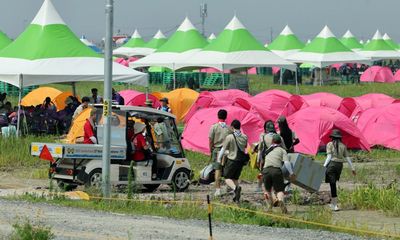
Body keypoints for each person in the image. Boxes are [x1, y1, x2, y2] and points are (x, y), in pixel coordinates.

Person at [323, 129, 356, 211]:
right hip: (339, 166)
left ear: (332, 137)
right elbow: (348, 158)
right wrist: (352, 168)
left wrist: (323, 166)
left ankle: (335, 205)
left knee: (332, 185)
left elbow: (329, 157)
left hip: (332, 165)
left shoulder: (330, 144)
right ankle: (333, 204)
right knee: (333, 184)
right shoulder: (343, 145)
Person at [262, 134, 295, 213]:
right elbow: (286, 163)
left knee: (267, 190)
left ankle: (269, 208)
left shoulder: (268, 150)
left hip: (266, 170)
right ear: (280, 142)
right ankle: (280, 200)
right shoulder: (282, 150)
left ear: (272, 141)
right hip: (276, 170)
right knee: (279, 190)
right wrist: (291, 173)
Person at [217, 120, 248, 202]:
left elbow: (223, 149)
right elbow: (244, 147)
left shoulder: (230, 137)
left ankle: (235, 189)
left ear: (232, 127)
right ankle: (237, 196)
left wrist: (219, 159)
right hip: (240, 161)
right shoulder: (245, 137)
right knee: (235, 178)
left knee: (227, 177)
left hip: (232, 160)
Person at [256, 120, 285, 193]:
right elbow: (283, 148)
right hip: (277, 157)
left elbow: (260, 149)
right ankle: (275, 189)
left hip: (266, 157)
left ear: (266, 128)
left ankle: (259, 187)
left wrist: (258, 160)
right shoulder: (279, 137)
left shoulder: (263, 136)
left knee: (262, 172)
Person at [209, 109, 229, 197]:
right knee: (227, 170)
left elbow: (210, 140)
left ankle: (218, 189)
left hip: (217, 150)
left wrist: (211, 149)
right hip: (226, 151)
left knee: (217, 170)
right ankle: (229, 187)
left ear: (218, 116)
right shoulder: (229, 128)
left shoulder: (214, 127)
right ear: (226, 117)